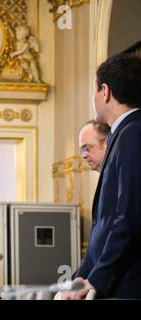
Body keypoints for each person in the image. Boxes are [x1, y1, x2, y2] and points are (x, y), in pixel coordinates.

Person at [68, 54, 141, 299]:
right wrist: (84, 275)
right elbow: (105, 224)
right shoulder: (125, 134)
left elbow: (128, 218)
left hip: (126, 286)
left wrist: (96, 279)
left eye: (93, 91)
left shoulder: (133, 134)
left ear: (105, 91)